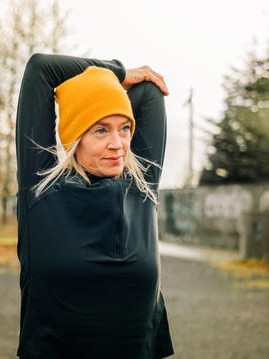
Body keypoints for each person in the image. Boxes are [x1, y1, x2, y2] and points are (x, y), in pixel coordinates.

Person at [15, 53, 174, 359]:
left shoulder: (143, 190)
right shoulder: (41, 193)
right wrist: (117, 72)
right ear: (76, 138)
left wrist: (108, 89)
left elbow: (149, 91)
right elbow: (41, 68)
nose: (118, 144)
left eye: (124, 128)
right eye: (100, 130)